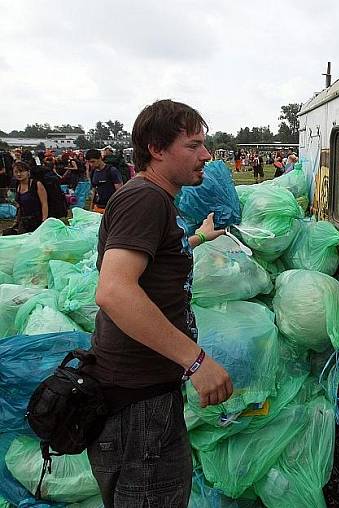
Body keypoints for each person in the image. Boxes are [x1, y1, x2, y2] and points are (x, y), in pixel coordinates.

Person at [84, 99, 233, 507]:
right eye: (193, 145)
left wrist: (199, 238)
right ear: (156, 147)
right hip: (137, 404)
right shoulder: (145, 199)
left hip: (145, 396)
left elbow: (153, 258)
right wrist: (196, 360)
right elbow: (114, 291)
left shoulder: (153, 199)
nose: (206, 155)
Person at [3, 160, 47, 235]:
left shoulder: (36, 184)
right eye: (16, 172)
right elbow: (20, 206)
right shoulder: (17, 185)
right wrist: (16, 222)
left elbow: (44, 204)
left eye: (21, 171)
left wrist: (44, 222)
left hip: (37, 220)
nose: (19, 174)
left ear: (28, 172)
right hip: (24, 221)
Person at [86, 148, 123, 213]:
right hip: (99, 206)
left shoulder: (112, 171)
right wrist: (91, 208)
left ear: (100, 158)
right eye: (89, 162)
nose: (91, 164)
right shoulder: (93, 172)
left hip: (112, 206)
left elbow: (120, 191)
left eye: (93, 161)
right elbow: (94, 191)